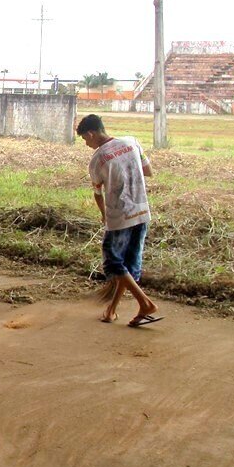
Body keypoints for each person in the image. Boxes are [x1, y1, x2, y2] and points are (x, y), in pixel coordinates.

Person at [77, 114, 162, 327]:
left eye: (85, 140)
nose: (87, 144)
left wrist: (105, 215)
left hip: (120, 216)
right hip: (141, 211)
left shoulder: (97, 159)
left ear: (91, 133)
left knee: (113, 262)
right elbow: (148, 171)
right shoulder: (132, 142)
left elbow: (98, 193)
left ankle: (145, 303)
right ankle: (111, 310)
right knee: (128, 267)